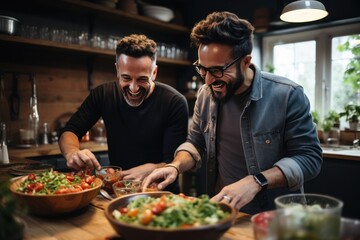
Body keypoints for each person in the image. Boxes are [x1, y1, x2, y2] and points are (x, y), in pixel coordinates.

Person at [143, 12, 322, 214]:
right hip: (224, 213)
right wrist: (175, 166)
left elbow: (310, 158)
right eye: (202, 69)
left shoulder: (288, 95)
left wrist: (257, 181)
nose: (208, 80)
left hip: (276, 217)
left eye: (218, 70)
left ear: (245, 62)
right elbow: (195, 142)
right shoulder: (205, 94)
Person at [59, 34, 189, 192]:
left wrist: (153, 168)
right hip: (117, 190)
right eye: (126, 78)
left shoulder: (174, 102)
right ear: (117, 70)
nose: (133, 88)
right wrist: (72, 152)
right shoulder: (103, 94)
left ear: (154, 73)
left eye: (142, 79)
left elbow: (174, 162)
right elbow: (70, 130)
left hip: (160, 192)